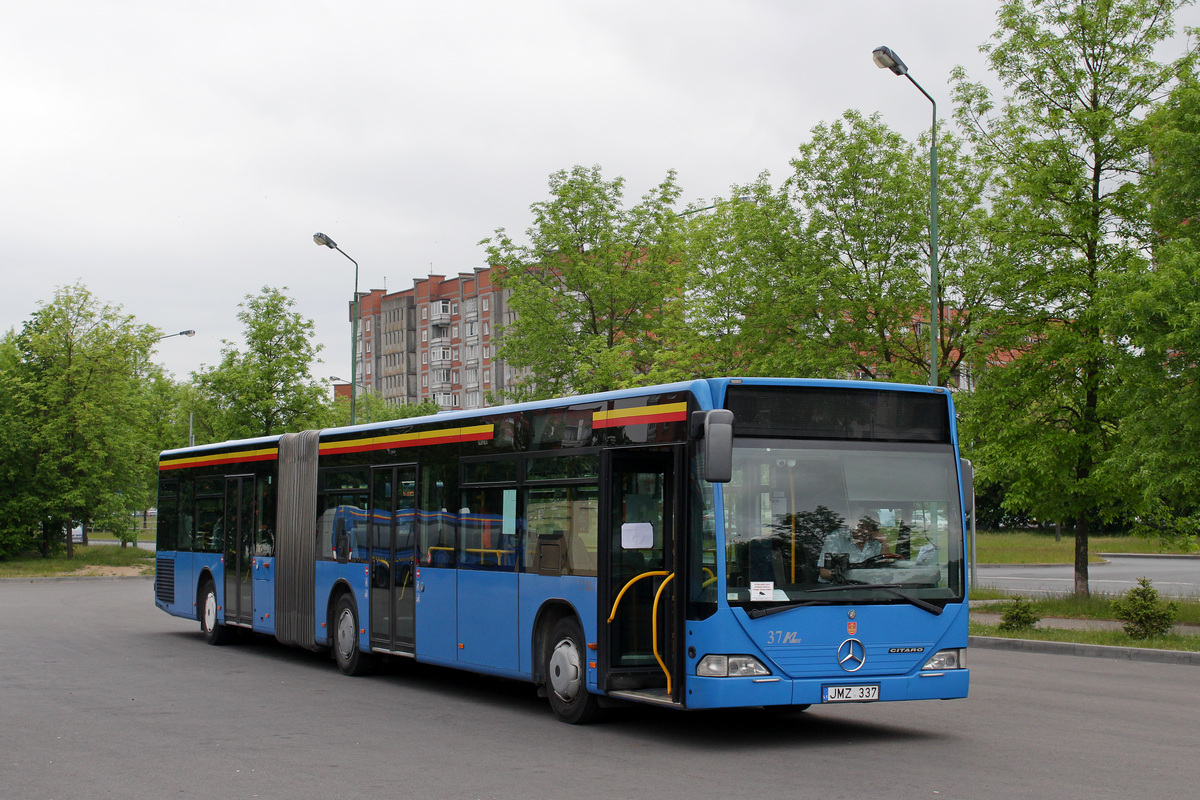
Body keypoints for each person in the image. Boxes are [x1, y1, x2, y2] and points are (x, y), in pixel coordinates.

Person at [818, 514, 897, 581]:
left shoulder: (876, 542)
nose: (863, 530)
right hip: (834, 589)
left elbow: (884, 572)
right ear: (853, 524)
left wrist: (884, 543)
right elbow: (825, 573)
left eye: (870, 527)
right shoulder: (836, 537)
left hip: (870, 588)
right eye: (861, 526)